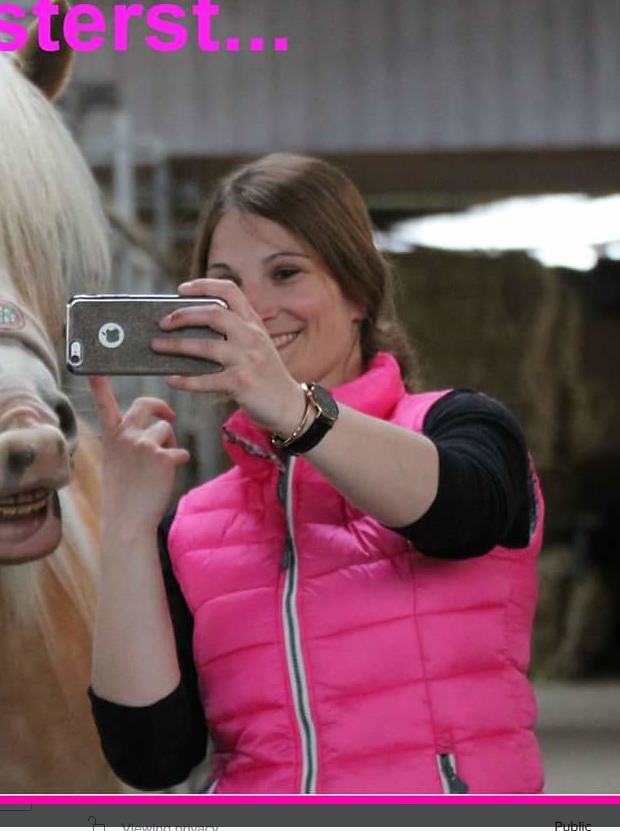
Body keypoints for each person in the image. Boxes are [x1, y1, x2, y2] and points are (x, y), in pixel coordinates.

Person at [88, 153, 545, 795]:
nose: (254, 311)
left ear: (358, 292)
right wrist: (125, 530)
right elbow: (151, 757)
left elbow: (462, 516)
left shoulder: (461, 427)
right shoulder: (193, 523)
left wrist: (293, 409)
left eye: (286, 273)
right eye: (226, 286)